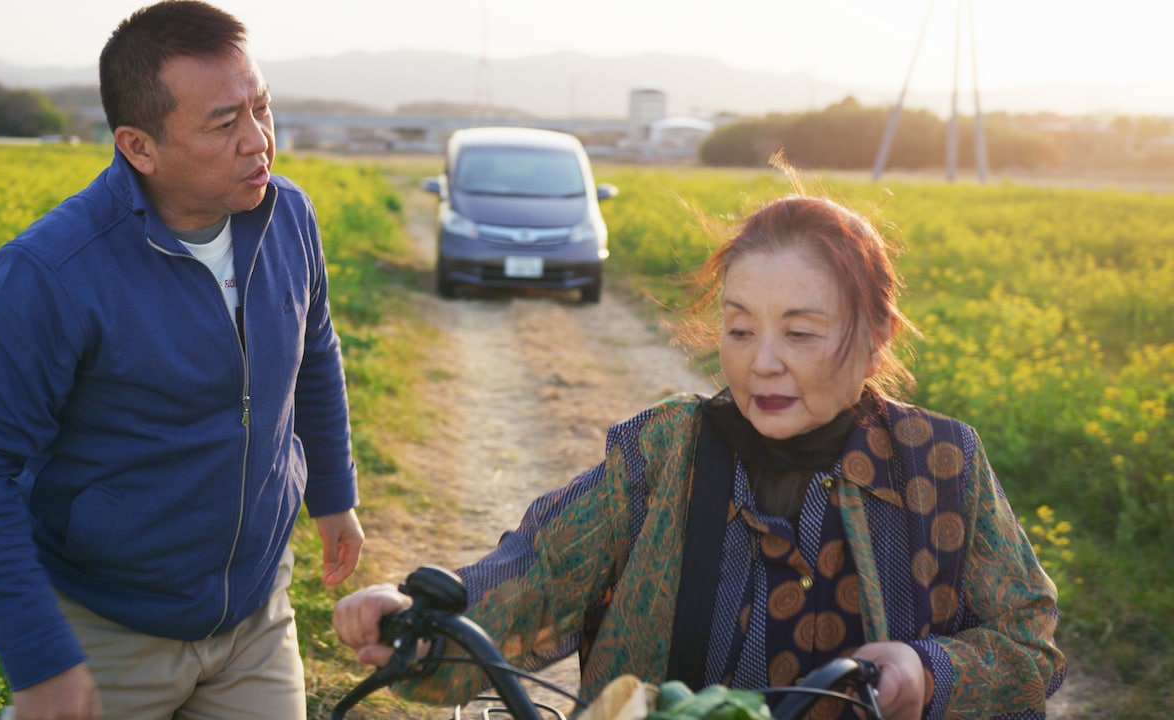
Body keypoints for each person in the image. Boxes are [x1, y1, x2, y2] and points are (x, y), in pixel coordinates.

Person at [333, 177, 1066, 719]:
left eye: (801, 333)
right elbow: (537, 567)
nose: (761, 362)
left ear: (875, 342)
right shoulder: (664, 455)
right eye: (740, 329)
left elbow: (1030, 650)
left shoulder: (941, 463)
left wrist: (925, 673)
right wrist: (414, 617)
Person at [0, 2, 364, 718]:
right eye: (225, 123)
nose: (258, 142)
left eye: (262, 108)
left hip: (256, 614)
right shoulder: (52, 272)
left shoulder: (288, 216)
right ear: (139, 147)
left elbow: (314, 349)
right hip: (107, 632)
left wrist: (334, 494)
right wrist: (41, 661)